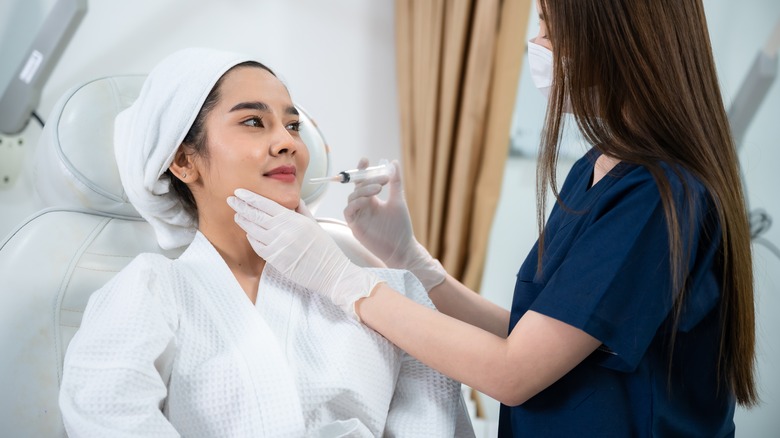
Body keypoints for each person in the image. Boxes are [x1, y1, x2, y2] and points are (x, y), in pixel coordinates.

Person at [228, 0, 758, 436]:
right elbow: (538, 336)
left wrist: (344, 282)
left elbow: (514, 370)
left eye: (549, 30)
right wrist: (413, 263)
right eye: (253, 121)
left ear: (610, 37)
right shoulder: (597, 170)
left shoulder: (658, 195)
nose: (538, 48)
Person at [58, 47, 473, 438]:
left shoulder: (393, 295)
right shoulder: (149, 290)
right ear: (183, 161)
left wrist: (410, 262)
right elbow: (108, 412)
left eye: (293, 125)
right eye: (254, 122)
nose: (289, 142)